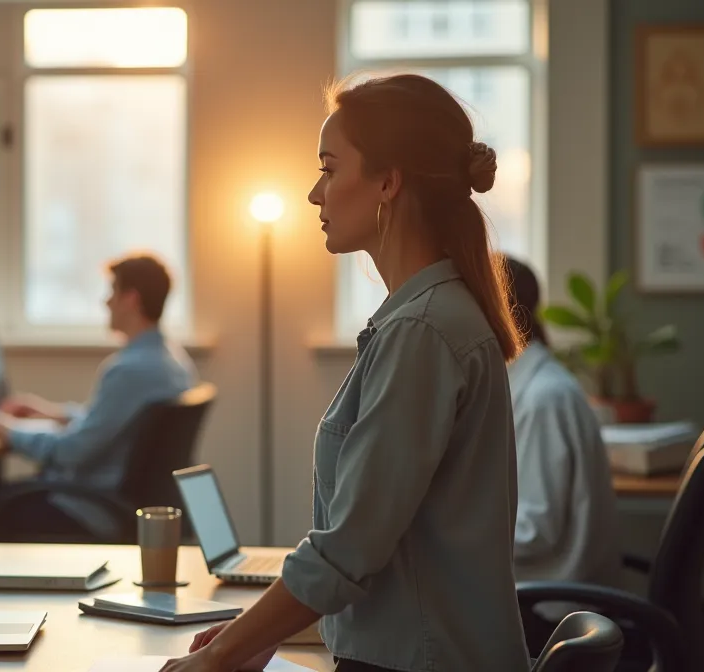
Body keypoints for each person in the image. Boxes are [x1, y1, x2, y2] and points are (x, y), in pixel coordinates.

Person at [160, 74, 531, 672]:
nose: (314, 193)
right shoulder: (422, 320)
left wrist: (219, 657)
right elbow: (381, 550)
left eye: (329, 169)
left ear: (387, 181)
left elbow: (349, 550)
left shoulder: (422, 333)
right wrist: (256, 635)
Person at [0, 253, 196, 565]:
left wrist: (3, 428)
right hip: (115, 501)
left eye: (112, 292)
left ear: (131, 299)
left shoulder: (129, 369)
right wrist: (53, 412)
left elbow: (74, 451)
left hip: (86, 508)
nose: (106, 302)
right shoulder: (173, 362)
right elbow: (111, 424)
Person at [503, 256, 621, 646]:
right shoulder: (534, 384)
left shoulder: (542, 400)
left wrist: (451, 528)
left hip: (550, 610)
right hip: (546, 594)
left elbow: (536, 529)